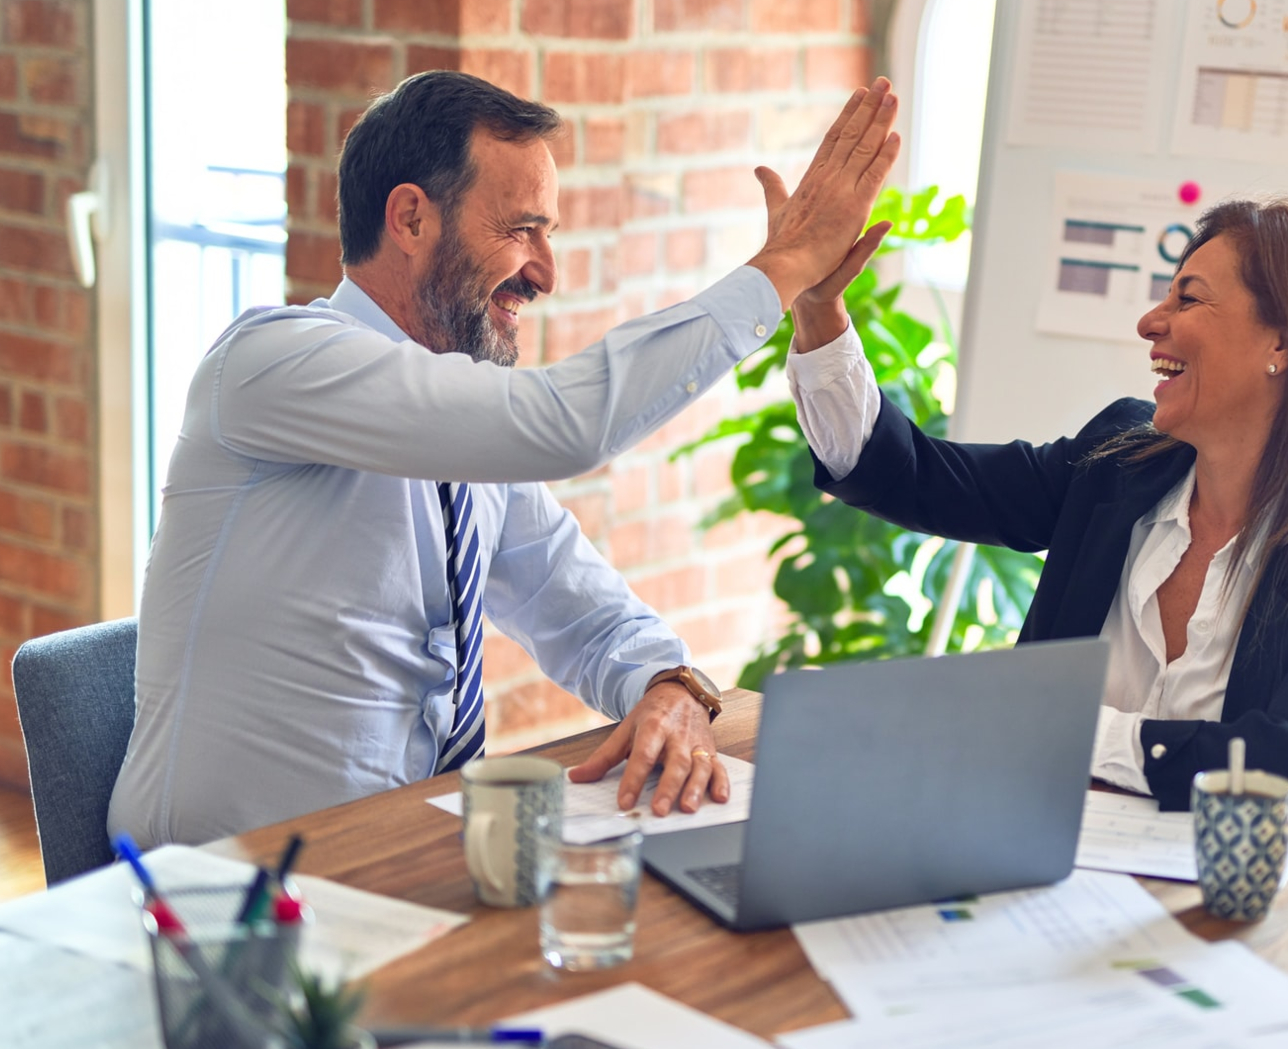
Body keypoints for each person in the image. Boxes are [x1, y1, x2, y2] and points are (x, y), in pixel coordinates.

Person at [108, 70, 899, 847]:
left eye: (548, 234)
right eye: (523, 229)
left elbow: (583, 611)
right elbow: (566, 424)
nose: (546, 273)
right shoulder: (272, 363)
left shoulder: (463, 437)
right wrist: (785, 267)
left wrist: (669, 685)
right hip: (221, 897)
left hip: (402, 862)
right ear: (411, 219)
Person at [783, 198, 1288, 829]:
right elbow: (912, 477)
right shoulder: (1117, 465)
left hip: (1244, 912)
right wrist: (819, 309)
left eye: (1188, 298)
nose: (1150, 322)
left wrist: (1058, 729)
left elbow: (1283, 768)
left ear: (1283, 344)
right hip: (1040, 860)